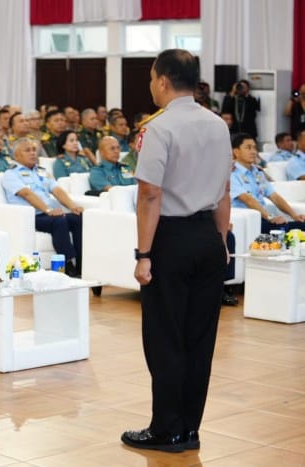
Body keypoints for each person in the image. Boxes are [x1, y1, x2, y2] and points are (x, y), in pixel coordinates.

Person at [122, 49, 232, 453]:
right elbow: (224, 190)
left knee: (166, 337)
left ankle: (166, 430)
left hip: (170, 239)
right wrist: (221, 242)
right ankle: (189, 428)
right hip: (207, 236)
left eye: (152, 78)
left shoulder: (159, 127)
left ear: (164, 81)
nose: (151, 85)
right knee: (200, 338)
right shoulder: (218, 125)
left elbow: (150, 193)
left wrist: (143, 254)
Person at [2, 138, 84, 277]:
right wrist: (47, 210)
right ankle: (67, 264)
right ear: (16, 155)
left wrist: (72, 206)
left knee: (78, 219)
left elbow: (57, 190)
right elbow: (26, 194)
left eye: (34, 150)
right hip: (33, 216)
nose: (33, 153)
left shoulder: (41, 171)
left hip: (50, 213)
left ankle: (82, 263)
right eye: (27, 150)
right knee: (60, 221)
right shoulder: (11, 174)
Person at [230, 132, 305, 231]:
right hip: (247, 222)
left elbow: (274, 197)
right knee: (282, 228)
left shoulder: (257, 173)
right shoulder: (232, 174)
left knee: (301, 225)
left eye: (254, 148)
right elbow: (248, 200)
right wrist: (270, 217)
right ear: (236, 152)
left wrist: (294, 215)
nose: (254, 152)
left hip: (263, 218)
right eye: (248, 148)